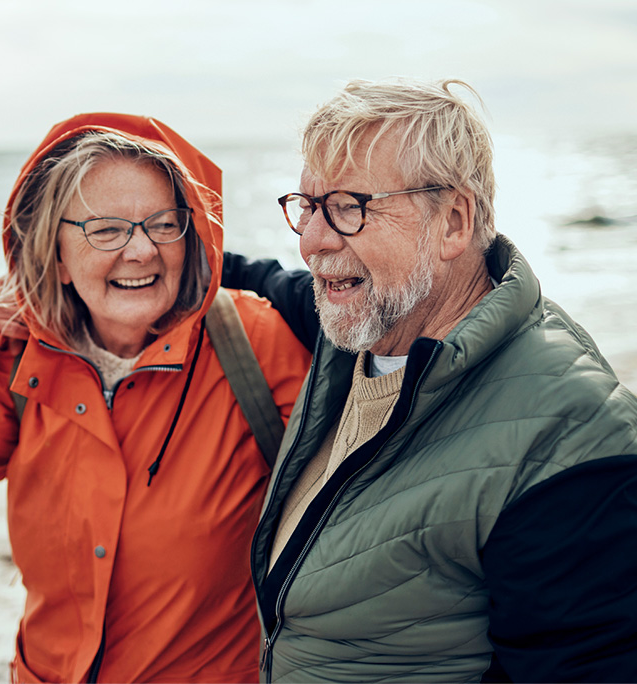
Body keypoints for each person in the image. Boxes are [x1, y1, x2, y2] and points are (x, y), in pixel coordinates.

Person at [222, 79, 637, 682]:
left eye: (349, 207)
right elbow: (269, 280)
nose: (313, 241)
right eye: (308, 207)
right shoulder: (358, 325)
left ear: (453, 222)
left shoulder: (569, 431)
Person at [0, 113, 311, 683]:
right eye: (106, 230)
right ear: (56, 254)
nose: (140, 252)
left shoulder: (252, 344)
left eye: (164, 225)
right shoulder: (25, 364)